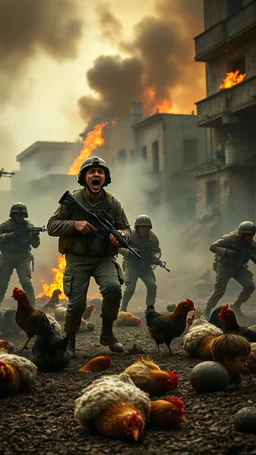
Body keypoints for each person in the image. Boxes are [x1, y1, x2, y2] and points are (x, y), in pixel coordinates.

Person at [47, 156, 132, 356]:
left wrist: (122, 235)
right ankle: (70, 340)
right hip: (77, 258)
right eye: (91, 172)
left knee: (113, 289)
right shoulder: (73, 201)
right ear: (84, 177)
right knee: (76, 303)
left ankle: (107, 334)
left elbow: (126, 228)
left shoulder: (112, 203)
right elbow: (51, 226)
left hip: (104, 257)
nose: (96, 175)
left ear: (105, 177)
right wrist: (74, 225)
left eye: (100, 172)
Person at [204, 221, 256, 319]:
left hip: (239, 268)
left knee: (250, 286)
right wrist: (228, 253)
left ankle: (236, 305)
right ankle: (207, 311)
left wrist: (251, 256)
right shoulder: (230, 239)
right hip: (225, 267)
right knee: (219, 291)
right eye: (248, 234)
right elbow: (213, 247)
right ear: (242, 234)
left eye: (253, 234)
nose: (251, 236)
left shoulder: (252, 244)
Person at [0, 203, 40, 306]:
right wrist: (8, 236)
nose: (20, 217)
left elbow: (35, 245)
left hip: (22, 258)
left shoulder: (28, 227)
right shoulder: (5, 226)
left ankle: (31, 305)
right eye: (18, 214)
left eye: (22, 215)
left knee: (25, 281)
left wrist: (35, 236)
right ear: (12, 215)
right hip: (7, 258)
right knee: (2, 282)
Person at [120, 215, 161, 312]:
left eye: (146, 227)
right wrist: (129, 252)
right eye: (141, 227)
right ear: (137, 227)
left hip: (145, 267)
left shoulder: (152, 237)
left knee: (152, 285)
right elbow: (119, 248)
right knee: (130, 289)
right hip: (132, 266)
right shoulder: (130, 235)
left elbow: (157, 250)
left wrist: (156, 257)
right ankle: (123, 309)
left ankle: (150, 308)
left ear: (149, 228)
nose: (143, 229)